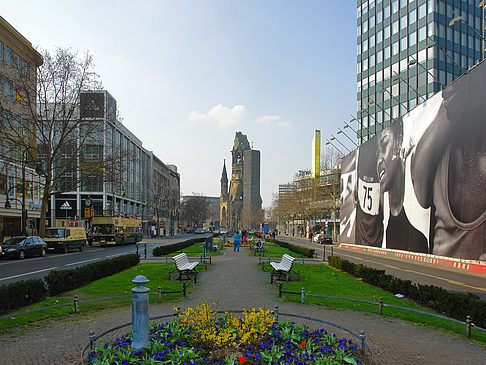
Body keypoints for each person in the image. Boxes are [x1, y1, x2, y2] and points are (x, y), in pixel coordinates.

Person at [412, 65, 486, 260]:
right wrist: (445, 119)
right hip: (438, 258)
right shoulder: (445, 139)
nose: (448, 93)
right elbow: (421, 195)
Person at [376, 119, 428, 253]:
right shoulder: (378, 233)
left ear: (399, 143)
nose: (379, 160)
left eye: (385, 145)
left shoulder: (417, 239)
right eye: (377, 153)